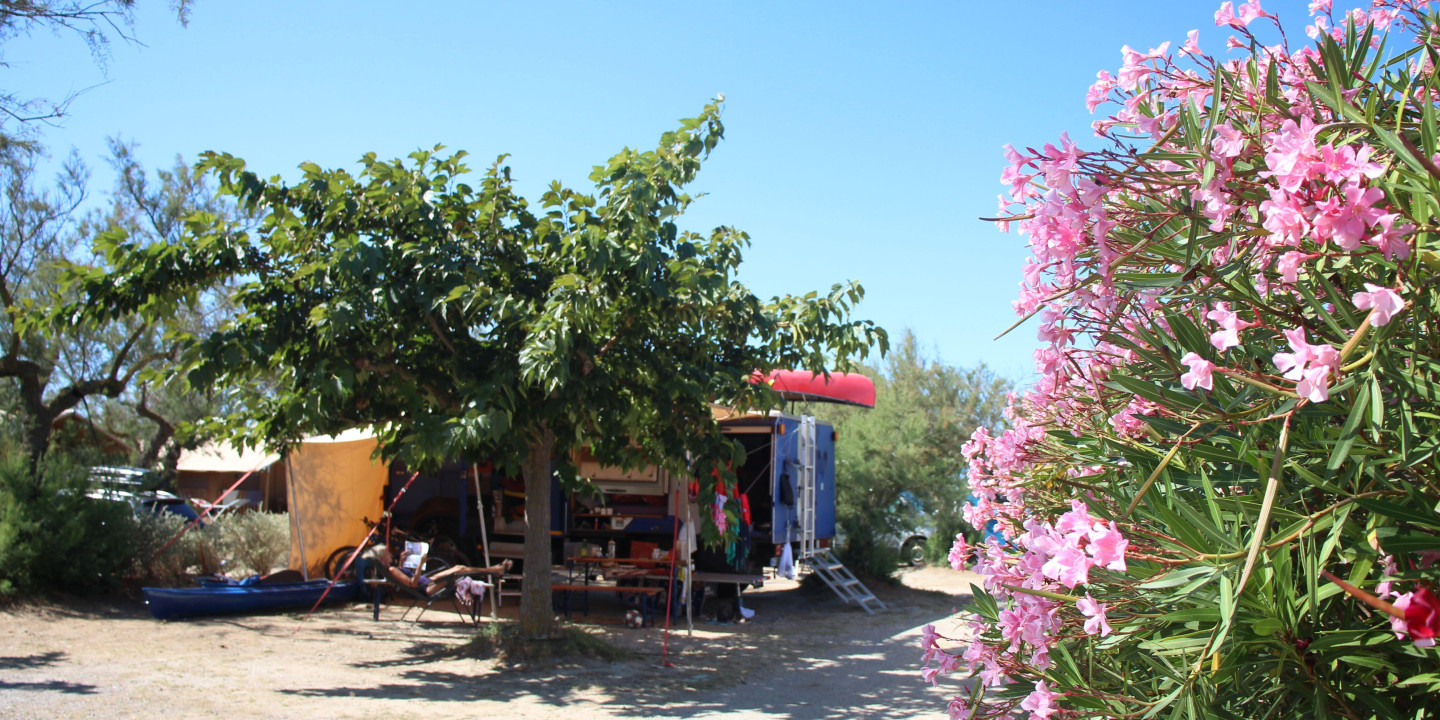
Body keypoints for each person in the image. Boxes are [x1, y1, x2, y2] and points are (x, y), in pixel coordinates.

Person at [364, 545, 511, 597]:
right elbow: (412, 584)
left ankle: (494, 570)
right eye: (387, 553)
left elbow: (404, 578)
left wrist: (402, 562)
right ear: (383, 558)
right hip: (425, 588)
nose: (390, 553)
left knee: (457, 568)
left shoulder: (392, 569)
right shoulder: (391, 570)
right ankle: (494, 570)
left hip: (426, 582)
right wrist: (421, 564)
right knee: (460, 569)